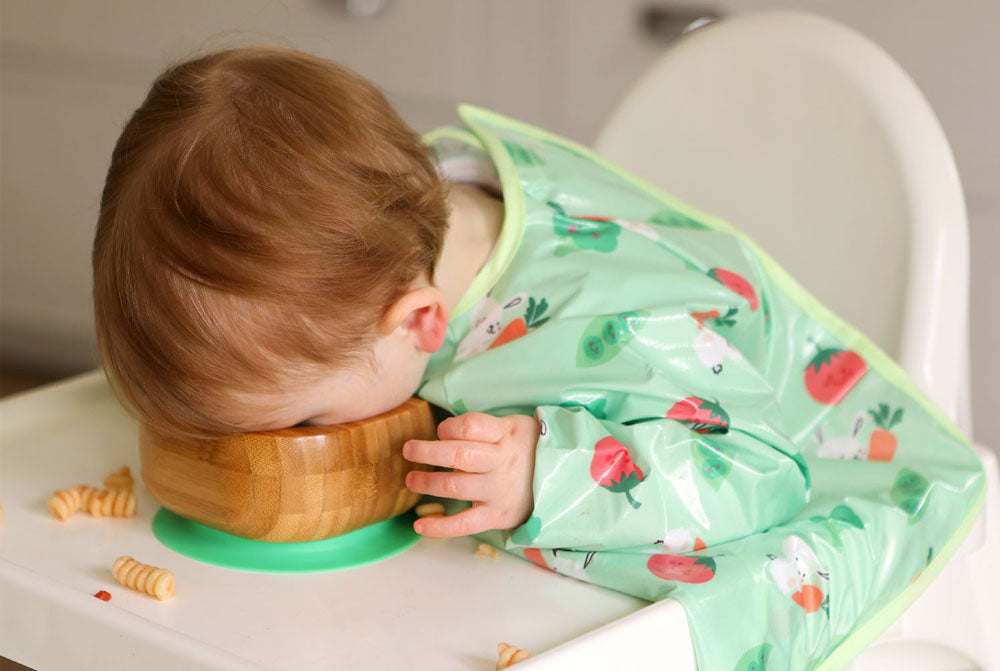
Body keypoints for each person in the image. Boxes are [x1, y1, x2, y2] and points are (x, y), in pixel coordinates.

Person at [92, 46, 810, 548]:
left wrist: (548, 477)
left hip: (828, 475)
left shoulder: (612, 330)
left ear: (421, 323)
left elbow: (764, 472)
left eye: (302, 419)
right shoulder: (380, 215)